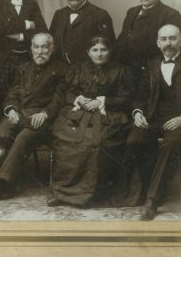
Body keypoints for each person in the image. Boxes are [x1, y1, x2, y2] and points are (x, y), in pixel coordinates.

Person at [127, 24, 181, 220]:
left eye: (172, 38)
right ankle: (152, 187)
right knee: (134, 139)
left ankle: (153, 200)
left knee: (172, 142)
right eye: (163, 39)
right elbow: (140, 95)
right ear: (158, 43)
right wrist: (137, 113)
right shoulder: (152, 64)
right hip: (155, 120)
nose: (168, 43)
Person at [0, 33, 67, 204]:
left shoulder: (62, 69)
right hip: (21, 114)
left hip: (44, 118)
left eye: (44, 47)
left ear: (52, 49)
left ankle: (0, 184)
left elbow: (60, 99)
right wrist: (11, 109)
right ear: (31, 49)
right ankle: (12, 183)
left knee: (25, 136)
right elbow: (13, 93)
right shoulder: (24, 68)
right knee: (1, 132)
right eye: (36, 47)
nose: (40, 51)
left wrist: (45, 114)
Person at [49, 36, 133, 208]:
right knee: (67, 141)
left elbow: (125, 98)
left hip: (108, 115)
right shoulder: (79, 69)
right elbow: (69, 93)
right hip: (80, 114)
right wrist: (80, 100)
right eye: (95, 50)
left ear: (109, 51)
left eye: (103, 50)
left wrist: (102, 101)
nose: (99, 54)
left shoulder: (120, 70)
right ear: (88, 52)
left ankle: (91, 194)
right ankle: (63, 193)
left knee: (94, 143)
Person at [115, 0, 181, 90]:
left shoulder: (171, 15)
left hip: (153, 75)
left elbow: (174, 50)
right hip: (128, 74)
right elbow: (122, 42)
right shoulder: (132, 12)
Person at [49, 0, 115, 65]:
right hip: (61, 71)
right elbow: (51, 44)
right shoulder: (59, 14)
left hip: (88, 73)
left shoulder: (100, 15)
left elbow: (109, 48)